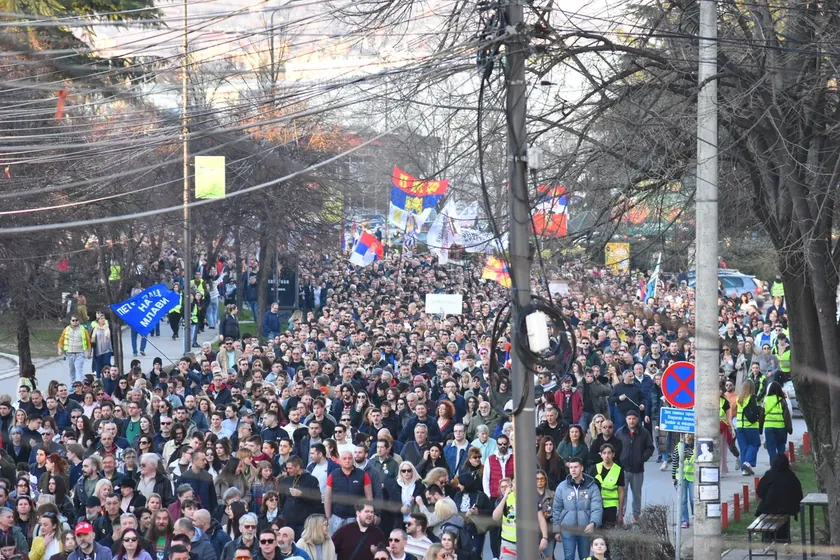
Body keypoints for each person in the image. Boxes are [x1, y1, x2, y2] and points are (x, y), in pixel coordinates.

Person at [552, 457, 603, 560]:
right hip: (567, 528)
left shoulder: (592, 487)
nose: (573, 470)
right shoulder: (562, 487)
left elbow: (597, 508)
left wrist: (593, 523)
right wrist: (557, 530)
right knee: (569, 557)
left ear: (582, 468)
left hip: (585, 528)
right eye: (571, 467)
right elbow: (556, 509)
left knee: (585, 557)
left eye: (576, 467)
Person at [614, 410, 653, 524]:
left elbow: (650, 448)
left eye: (634, 419)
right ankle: (620, 516)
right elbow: (615, 447)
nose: (631, 421)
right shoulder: (620, 432)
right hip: (623, 469)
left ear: (637, 420)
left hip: (637, 470)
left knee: (637, 495)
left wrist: (642, 458)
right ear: (626, 419)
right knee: (622, 494)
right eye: (629, 418)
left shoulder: (644, 433)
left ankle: (636, 517)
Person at [492, 486, 549, 560]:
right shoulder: (505, 498)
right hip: (508, 544)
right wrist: (505, 497)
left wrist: (544, 537)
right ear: (512, 485)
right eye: (515, 482)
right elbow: (495, 517)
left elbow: (541, 519)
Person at [756, 454, 803, 542]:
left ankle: (767, 542)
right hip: (786, 509)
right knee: (783, 529)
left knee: (768, 529)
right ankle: (783, 542)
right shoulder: (791, 476)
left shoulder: (769, 475)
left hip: (768, 508)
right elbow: (798, 494)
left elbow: (760, 492)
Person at [324, 451, 373, 536]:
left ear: (353, 460)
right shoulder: (333, 475)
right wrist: (328, 517)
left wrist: (367, 514)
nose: (347, 461)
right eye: (344, 458)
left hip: (355, 517)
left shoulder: (363, 475)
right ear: (340, 460)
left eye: (350, 458)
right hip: (337, 516)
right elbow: (327, 497)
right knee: (334, 541)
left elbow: (369, 497)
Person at [590, 444, 624, 529]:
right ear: (601, 455)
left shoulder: (618, 470)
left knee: (608, 532)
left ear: (613, 454)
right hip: (596, 505)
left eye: (609, 453)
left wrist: (620, 513)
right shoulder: (595, 468)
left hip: (611, 507)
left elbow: (621, 492)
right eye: (604, 453)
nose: (606, 456)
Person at [736, 379, 761, 475]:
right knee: (755, 444)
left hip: (739, 426)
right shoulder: (752, 398)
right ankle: (748, 462)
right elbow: (755, 411)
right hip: (751, 426)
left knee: (744, 448)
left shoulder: (739, 399)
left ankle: (744, 470)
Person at [57, 317, 91, 386]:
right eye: (73, 320)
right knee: (71, 371)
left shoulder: (83, 330)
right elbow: (61, 340)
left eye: (76, 320)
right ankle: (73, 385)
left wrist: (89, 352)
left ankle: (79, 385)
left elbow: (88, 341)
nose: (75, 321)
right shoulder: (66, 329)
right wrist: (59, 349)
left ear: (79, 321)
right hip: (69, 354)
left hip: (80, 353)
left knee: (79, 370)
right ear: (70, 321)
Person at [762, 381, 790, 464]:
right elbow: (786, 416)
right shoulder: (782, 400)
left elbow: (762, 414)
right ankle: (781, 466)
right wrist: (789, 428)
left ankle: (773, 466)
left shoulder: (766, 400)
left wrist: (760, 428)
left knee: (771, 449)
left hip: (769, 427)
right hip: (781, 427)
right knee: (781, 447)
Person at [671, 433, 695, 529]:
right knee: (683, 499)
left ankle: (695, 515)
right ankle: (684, 520)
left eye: (689, 434)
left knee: (693, 499)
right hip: (680, 477)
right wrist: (673, 476)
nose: (687, 436)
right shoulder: (679, 446)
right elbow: (674, 462)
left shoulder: (696, 446)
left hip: (693, 477)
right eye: (685, 434)